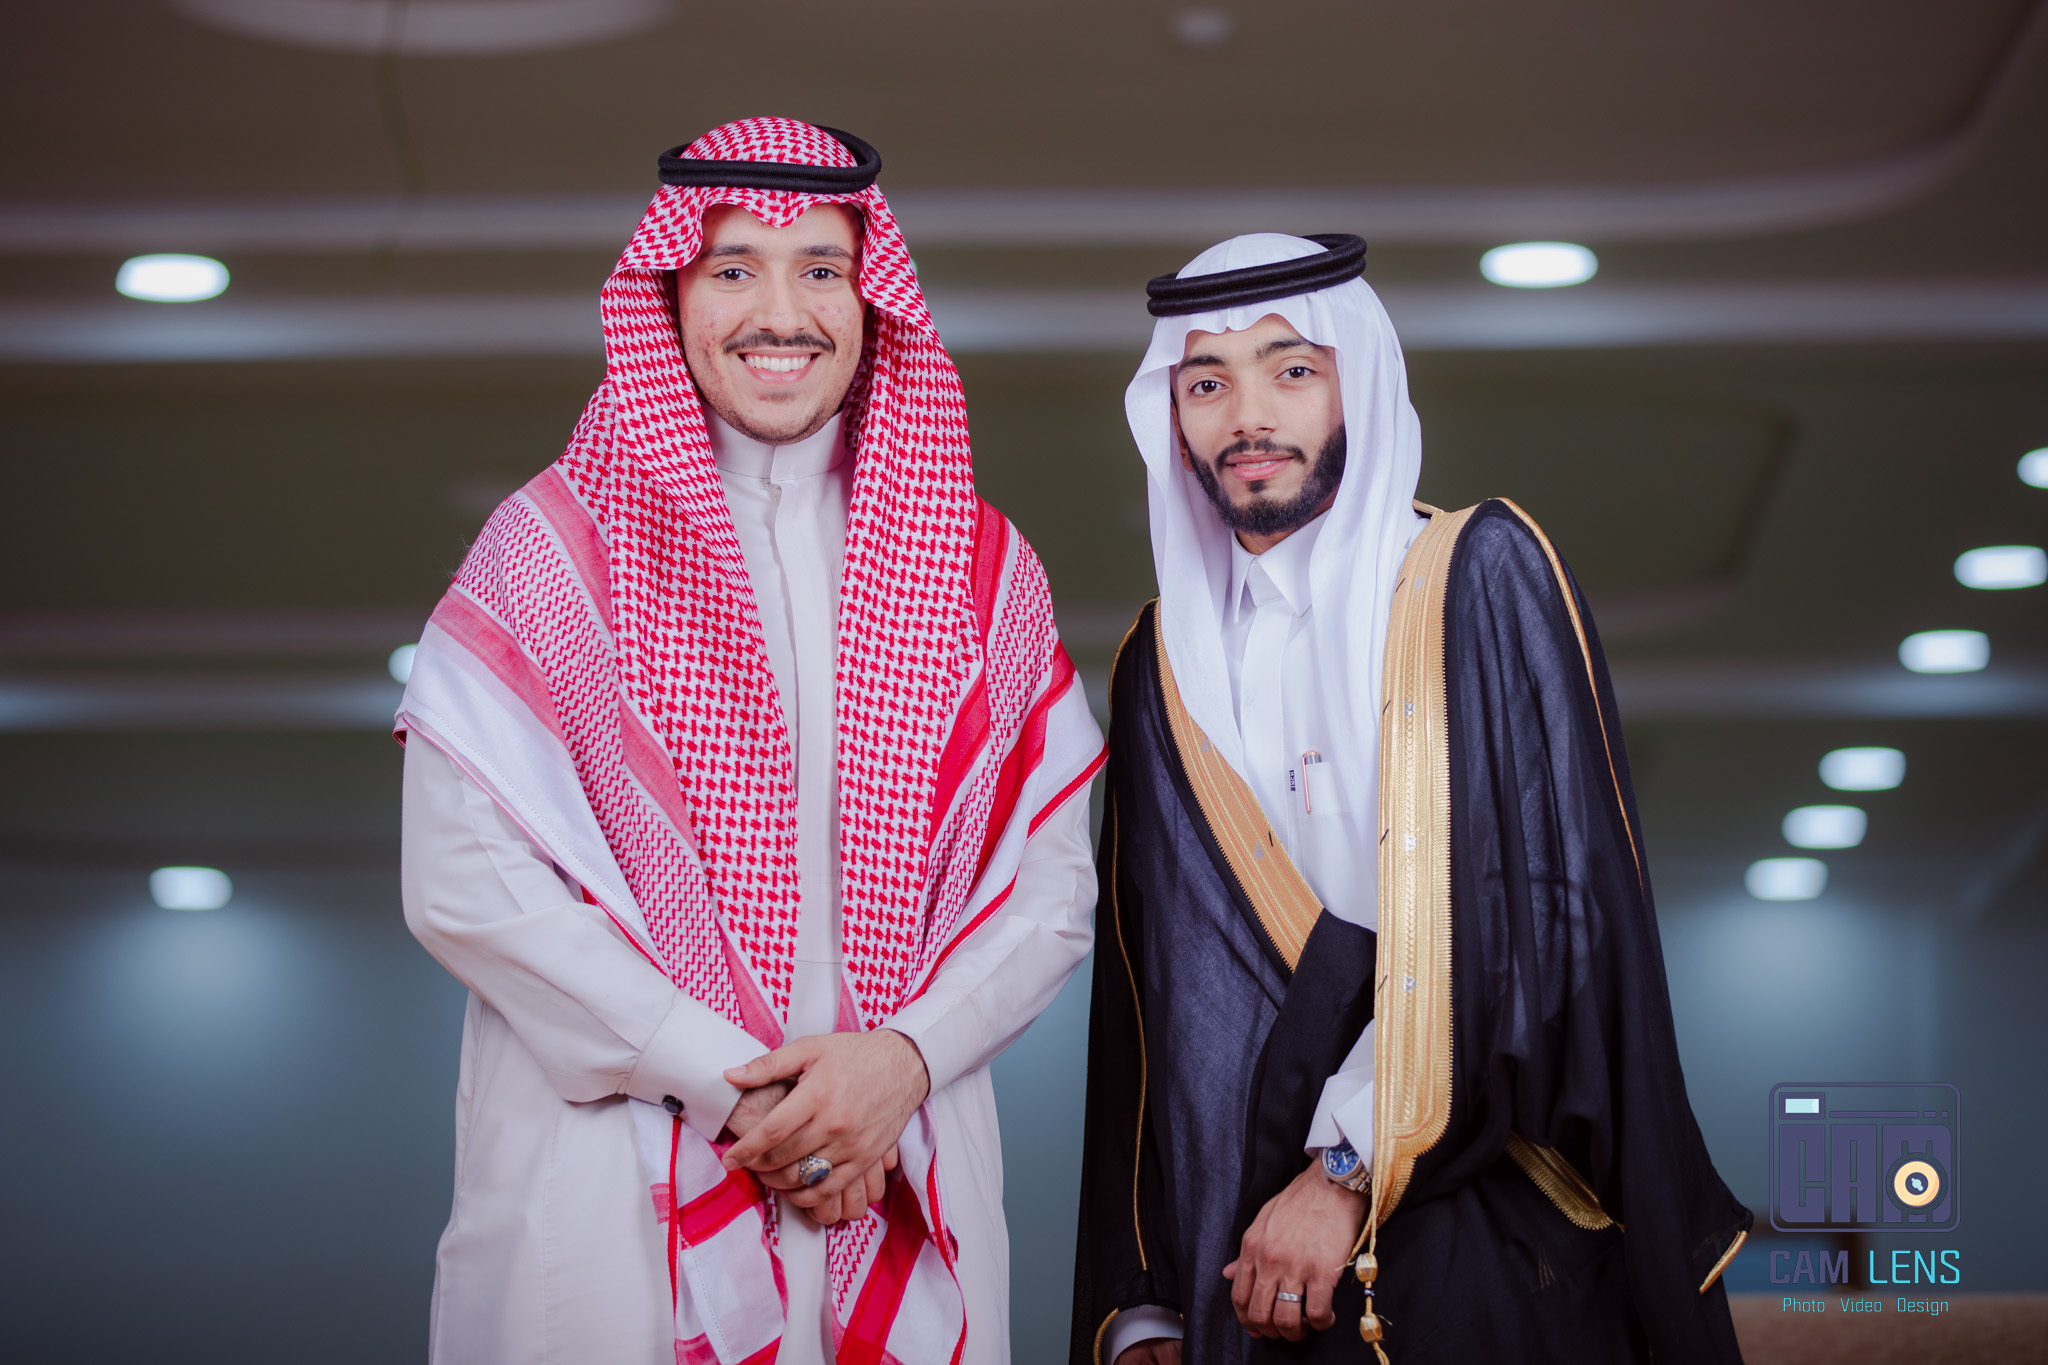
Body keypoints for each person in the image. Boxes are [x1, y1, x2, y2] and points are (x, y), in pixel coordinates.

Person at [397, 118, 1104, 1365]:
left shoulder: (980, 571)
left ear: (871, 298)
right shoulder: (548, 550)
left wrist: (899, 1066)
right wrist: (745, 1092)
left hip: (897, 1156)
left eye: (820, 269)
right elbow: (465, 882)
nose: (781, 313)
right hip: (610, 1186)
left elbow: (1048, 895)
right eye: (733, 269)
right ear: (669, 295)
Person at [1070, 234, 1750, 1365]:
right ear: (1170, 416)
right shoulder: (1159, 663)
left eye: (1293, 371)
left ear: (1362, 385)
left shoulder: (1477, 576)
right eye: (1206, 383)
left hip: (1488, 1216)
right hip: (1246, 1258)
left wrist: (1346, 1168)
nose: (1248, 416)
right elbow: (1147, 995)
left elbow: (1545, 924)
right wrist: (1146, 1295)